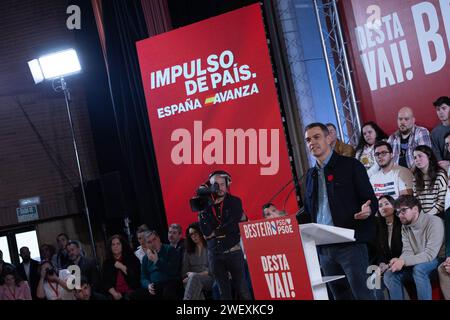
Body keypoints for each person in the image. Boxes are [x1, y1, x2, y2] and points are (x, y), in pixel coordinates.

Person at [302, 123, 378, 300]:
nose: (312, 142)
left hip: (350, 245)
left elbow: (370, 200)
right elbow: (308, 211)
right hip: (324, 248)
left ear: (329, 138)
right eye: (307, 140)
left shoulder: (350, 166)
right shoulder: (310, 175)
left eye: (316, 137)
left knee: (363, 295)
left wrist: (368, 210)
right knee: (340, 297)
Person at [198, 170, 252, 300]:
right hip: (215, 254)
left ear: (227, 184)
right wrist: (203, 207)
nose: (220, 188)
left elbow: (232, 226)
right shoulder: (206, 206)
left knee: (242, 289)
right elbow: (206, 232)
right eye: (216, 185)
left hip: (233, 252)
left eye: (222, 184)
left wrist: (213, 233)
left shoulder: (235, 201)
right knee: (223, 293)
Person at [383, 195, 444, 300]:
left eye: (403, 211)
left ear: (415, 209)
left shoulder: (434, 222)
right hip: (417, 262)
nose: (400, 215)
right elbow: (408, 251)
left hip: (436, 261)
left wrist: (404, 262)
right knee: (390, 275)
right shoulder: (405, 227)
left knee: (419, 269)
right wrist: (399, 260)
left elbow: (430, 254)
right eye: (397, 212)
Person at [136, 230, 182, 300]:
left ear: (159, 238)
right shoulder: (145, 258)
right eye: (149, 242)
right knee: (133, 295)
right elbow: (143, 277)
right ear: (146, 245)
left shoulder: (170, 250)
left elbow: (173, 271)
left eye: (154, 239)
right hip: (154, 285)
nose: (153, 243)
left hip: (170, 282)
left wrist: (157, 261)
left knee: (167, 291)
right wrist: (148, 285)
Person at [373, 195, 403, 299]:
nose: (383, 207)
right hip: (385, 265)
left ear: (394, 206)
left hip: (402, 263)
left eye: (386, 204)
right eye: (380, 205)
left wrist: (389, 265)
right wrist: (381, 263)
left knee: (389, 277)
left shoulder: (402, 223)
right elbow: (379, 250)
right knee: (373, 280)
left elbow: (405, 250)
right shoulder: (379, 227)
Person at [101, 234, 141, 300]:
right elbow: (105, 282)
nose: (115, 246)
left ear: (122, 245)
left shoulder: (132, 259)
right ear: (110, 248)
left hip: (131, 291)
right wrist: (114, 293)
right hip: (115, 293)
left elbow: (135, 277)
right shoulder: (107, 263)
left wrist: (122, 267)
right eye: (113, 245)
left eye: (118, 244)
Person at [412, 145, 447, 217]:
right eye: (415, 157)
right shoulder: (416, 179)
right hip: (423, 217)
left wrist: (428, 216)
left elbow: (442, 201)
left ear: (429, 156)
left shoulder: (440, 175)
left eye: (420, 156)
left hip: (439, 215)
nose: (417, 159)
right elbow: (416, 201)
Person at [182, 222, 213, 300]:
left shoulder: (210, 246)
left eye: (195, 233)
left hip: (209, 278)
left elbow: (213, 270)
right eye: (191, 234)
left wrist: (196, 275)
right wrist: (188, 277)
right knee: (191, 283)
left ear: (200, 232)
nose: (194, 236)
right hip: (191, 279)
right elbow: (184, 271)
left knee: (194, 279)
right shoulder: (188, 251)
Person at [431, 96, 450, 169]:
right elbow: (438, 158)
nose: (441, 112)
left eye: (444, 108)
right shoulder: (435, 133)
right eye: (438, 109)